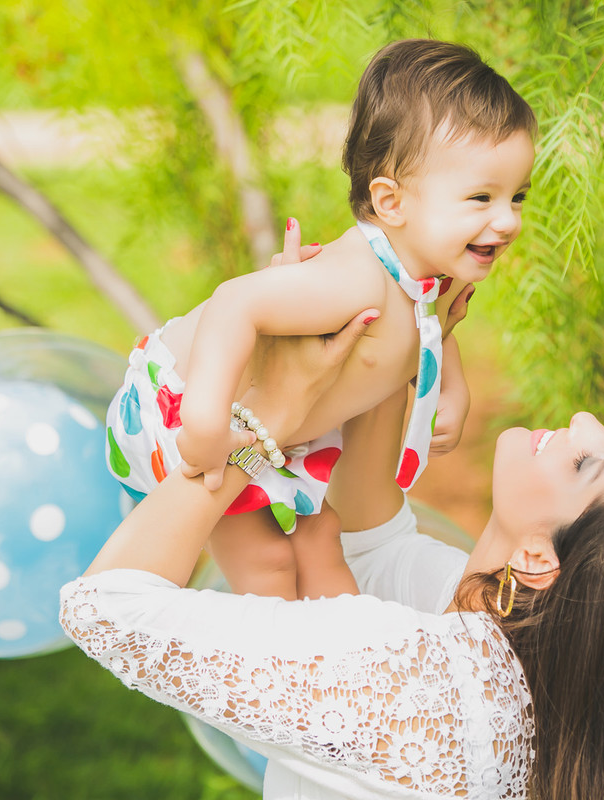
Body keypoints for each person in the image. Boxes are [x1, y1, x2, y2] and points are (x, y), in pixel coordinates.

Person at [60, 232, 604, 799]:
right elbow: (372, 537)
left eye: (589, 463)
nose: (585, 423)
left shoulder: (423, 690)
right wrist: (396, 334)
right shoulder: (524, 657)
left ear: (539, 561)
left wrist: (262, 416)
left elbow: (105, 609)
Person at [102, 38, 536, 602]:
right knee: (268, 561)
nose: (507, 221)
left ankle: (355, 642)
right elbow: (235, 302)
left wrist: (452, 389)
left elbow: (429, 324)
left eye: (517, 197)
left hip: (283, 434)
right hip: (190, 411)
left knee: (320, 538)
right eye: (481, 198)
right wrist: (204, 420)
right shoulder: (355, 279)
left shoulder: (431, 272)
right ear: (392, 202)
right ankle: (275, 653)